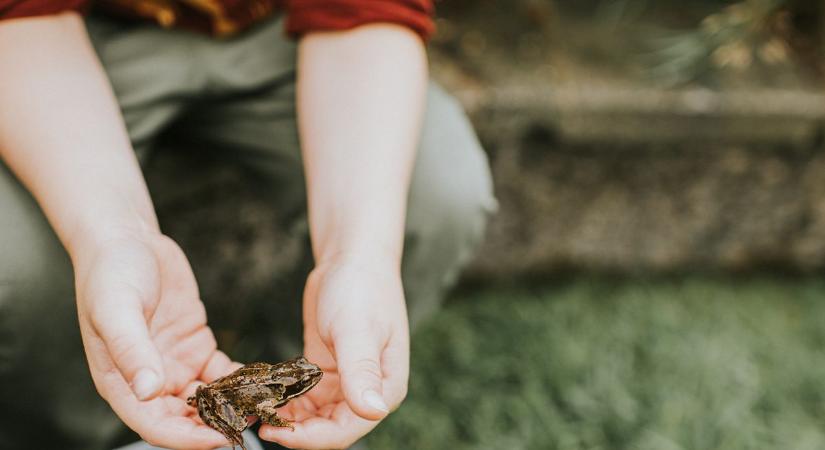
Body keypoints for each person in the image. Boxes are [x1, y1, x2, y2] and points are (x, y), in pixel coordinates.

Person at [0, 1, 496, 449]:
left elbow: (362, 10)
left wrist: (359, 255)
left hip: (283, 29)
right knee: (19, 265)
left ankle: (305, 416)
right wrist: (110, 238)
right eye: (298, 382)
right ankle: (94, 432)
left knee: (436, 193)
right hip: (63, 37)